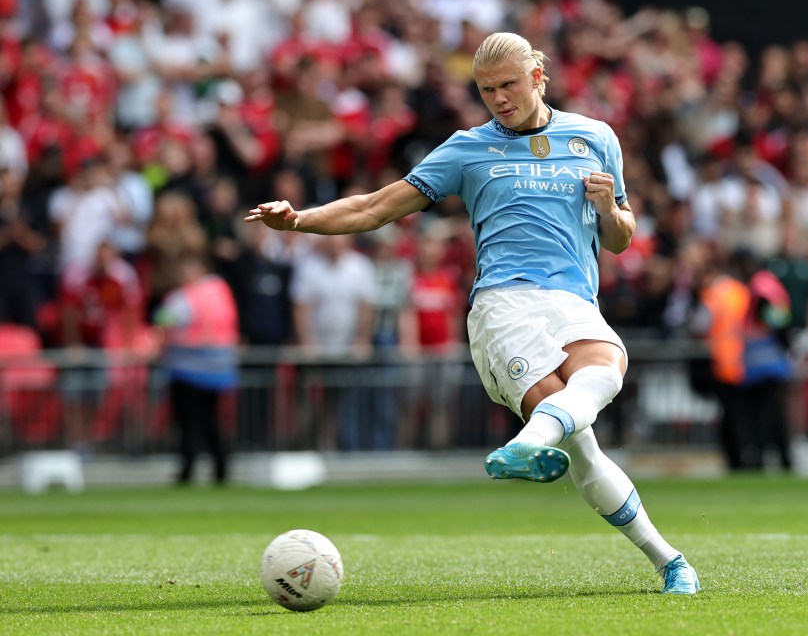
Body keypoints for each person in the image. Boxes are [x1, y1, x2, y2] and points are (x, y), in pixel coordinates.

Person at [246, 32, 699, 594]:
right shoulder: (467, 148)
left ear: (537, 75)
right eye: (486, 90)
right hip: (503, 304)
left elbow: (622, 238)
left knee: (602, 375)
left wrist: (609, 208)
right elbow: (374, 208)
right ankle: (668, 559)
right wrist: (297, 220)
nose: (498, 99)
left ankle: (534, 454)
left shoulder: (595, 137)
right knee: (578, 430)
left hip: (574, 300)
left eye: (508, 84)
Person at [153, 254, 239, 485]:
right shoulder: (221, 290)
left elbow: (166, 319)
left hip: (187, 367)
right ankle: (221, 468)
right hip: (219, 367)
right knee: (210, 421)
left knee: (189, 423)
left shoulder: (183, 297)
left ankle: (187, 470)